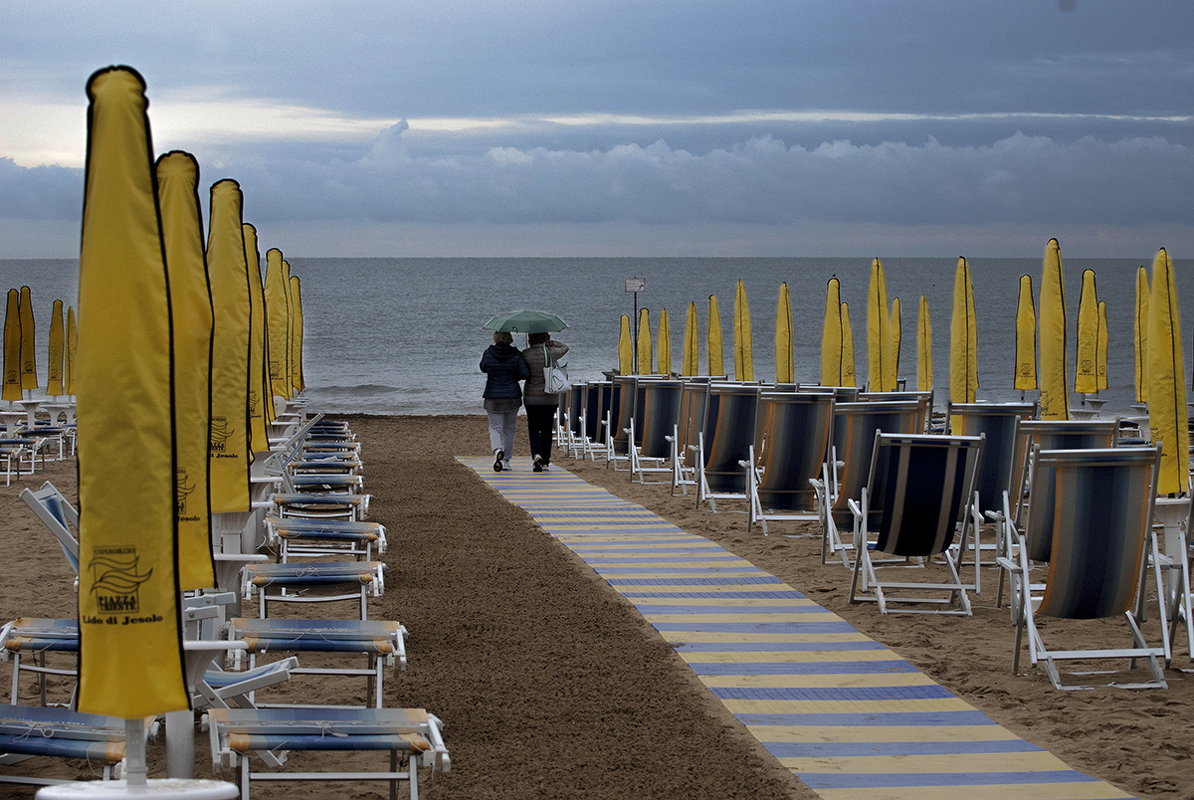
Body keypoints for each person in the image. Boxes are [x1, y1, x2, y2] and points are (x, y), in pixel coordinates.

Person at [480, 330, 530, 471]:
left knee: (495, 428)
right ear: (510, 338)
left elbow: (483, 367)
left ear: (496, 338)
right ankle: (507, 461)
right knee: (509, 429)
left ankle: (497, 451)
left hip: (493, 395)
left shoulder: (489, 352)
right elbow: (524, 374)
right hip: (512, 396)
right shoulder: (516, 354)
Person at [522, 331, 569, 472]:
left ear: (530, 338)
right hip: (550, 397)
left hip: (531, 397)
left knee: (534, 427)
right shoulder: (551, 352)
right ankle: (546, 461)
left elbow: (523, 372)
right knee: (548, 429)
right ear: (545, 338)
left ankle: (536, 454)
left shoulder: (526, 354)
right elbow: (565, 347)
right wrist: (552, 343)